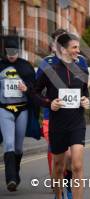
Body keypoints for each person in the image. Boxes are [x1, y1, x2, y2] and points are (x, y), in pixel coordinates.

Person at [34, 33, 89, 199]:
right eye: (74, 47)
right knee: (58, 166)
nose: (78, 51)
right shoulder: (50, 69)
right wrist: (49, 103)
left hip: (77, 122)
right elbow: (35, 93)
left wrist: (85, 100)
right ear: (64, 49)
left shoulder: (81, 68)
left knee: (77, 165)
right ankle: (59, 195)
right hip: (57, 123)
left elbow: (84, 92)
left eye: (78, 47)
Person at [0, 39, 36, 191]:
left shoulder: (26, 66)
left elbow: (34, 88)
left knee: (19, 148)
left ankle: (16, 172)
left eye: (14, 52)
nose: (12, 56)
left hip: (22, 109)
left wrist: (26, 88)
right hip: (4, 109)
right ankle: (11, 179)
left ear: (19, 52)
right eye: (9, 52)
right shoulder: (0, 66)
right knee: (8, 143)